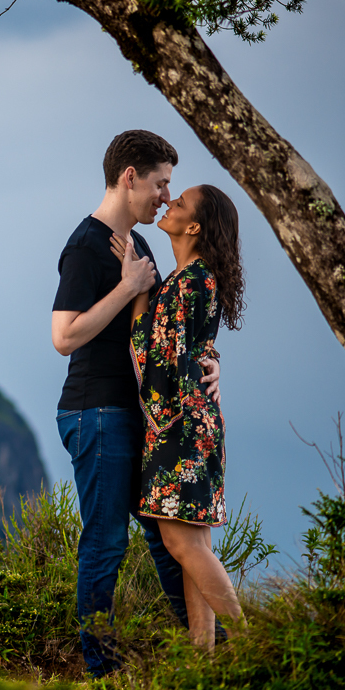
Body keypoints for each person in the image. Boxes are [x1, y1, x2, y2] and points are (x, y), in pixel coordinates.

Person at [51, 130, 221, 677]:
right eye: (160, 183)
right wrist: (126, 289)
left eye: (170, 187)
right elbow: (64, 336)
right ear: (130, 177)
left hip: (138, 417)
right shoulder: (85, 245)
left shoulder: (141, 246)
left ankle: (203, 658)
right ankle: (101, 673)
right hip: (96, 411)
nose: (165, 196)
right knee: (106, 544)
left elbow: (169, 329)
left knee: (164, 535)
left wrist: (211, 362)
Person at [113, 183, 245, 649]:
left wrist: (136, 292)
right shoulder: (196, 278)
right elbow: (191, 351)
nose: (169, 203)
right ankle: (203, 659)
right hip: (197, 423)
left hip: (179, 428)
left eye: (181, 203)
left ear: (194, 227)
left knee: (181, 544)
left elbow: (151, 355)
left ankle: (252, 642)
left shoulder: (189, 282)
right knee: (195, 545)